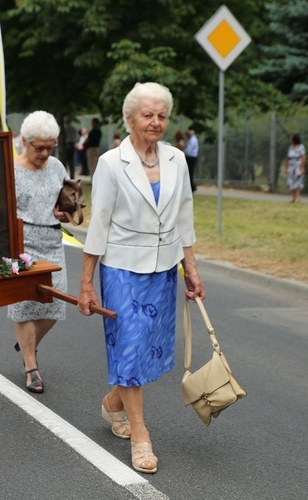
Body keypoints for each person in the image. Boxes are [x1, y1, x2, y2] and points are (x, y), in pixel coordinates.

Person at [77, 82, 205, 475]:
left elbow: (184, 215)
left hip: (164, 267)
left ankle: (114, 402)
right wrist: (86, 281)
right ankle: (140, 434)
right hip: (121, 268)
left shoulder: (177, 160)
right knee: (130, 348)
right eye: (148, 115)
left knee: (150, 349)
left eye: (162, 115)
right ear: (130, 118)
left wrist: (192, 270)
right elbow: (98, 224)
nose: (156, 122)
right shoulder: (113, 163)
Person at [8, 110, 69, 394]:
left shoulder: (57, 166)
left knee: (56, 304)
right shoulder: (11, 169)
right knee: (24, 305)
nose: (45, 153)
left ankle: (27, 342)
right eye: (39, 147)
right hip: (22, 243)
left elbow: (64, 201)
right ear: (24, 141)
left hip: (52, 239)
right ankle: (31, 367)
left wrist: (65, 212)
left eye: (50, 146)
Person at [286, 133, 306, 203]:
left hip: (297, 166)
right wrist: (287, 167)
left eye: (291, 138)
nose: (290, 140)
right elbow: (288, 158)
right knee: (291, 182)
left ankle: (298, 198)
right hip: (291, 166)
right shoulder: (290, 147)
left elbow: (303, 157)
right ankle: (293, 197)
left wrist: (302, 168)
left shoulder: (300, 147)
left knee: (297, 182)